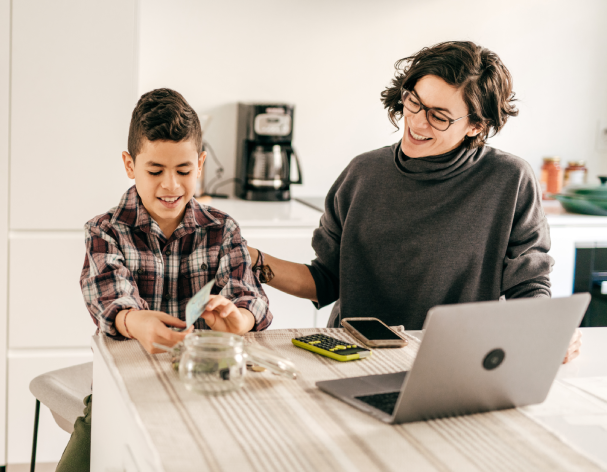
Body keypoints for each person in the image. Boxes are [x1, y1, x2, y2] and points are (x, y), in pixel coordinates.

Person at [247, 40, 582, 364]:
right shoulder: (362, 174)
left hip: (455, 360)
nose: (417, 121)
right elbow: (326, 280)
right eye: (414, 102)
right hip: (354, 355)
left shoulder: (509, 179)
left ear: (475, 125)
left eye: (439, 116)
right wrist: (252, 260)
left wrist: (549, 329)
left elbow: (528, 283)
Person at [56, 88, 272, 472]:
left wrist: (239, 320)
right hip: (124, 388)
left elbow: (248, 295)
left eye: (183, 171)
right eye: (155, 171)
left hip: (205, 384)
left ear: (200, 164)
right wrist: (134, 322)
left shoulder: (222, 229)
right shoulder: (105, 231)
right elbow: (109, 295)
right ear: (130, 164)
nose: (171, 186)